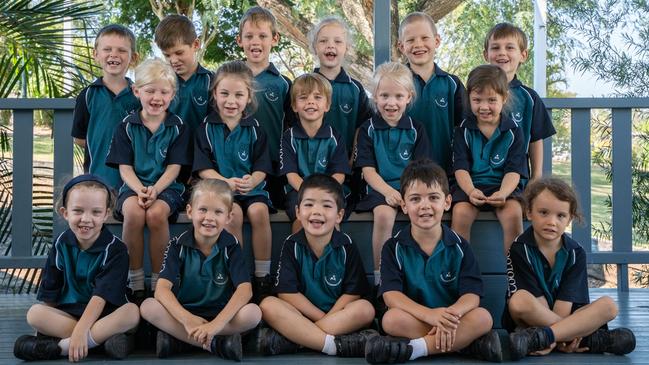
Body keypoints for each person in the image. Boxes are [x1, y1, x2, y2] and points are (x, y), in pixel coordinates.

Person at [365, 159, 502, 364]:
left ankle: (416, 349)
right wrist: (430, 315)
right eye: (415, 199)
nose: (425, 206)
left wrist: (449, 317)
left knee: (483, 317)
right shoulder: (393, 248)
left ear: (447, 202)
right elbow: (392, 296)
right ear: (403, 204)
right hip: (418, 317)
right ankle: (466, 344)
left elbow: (471, 296)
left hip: (453, 319)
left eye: (433, 197)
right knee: (391, 320)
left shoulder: (460, 246)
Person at [505, 177, 636, 360]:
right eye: (543, 212)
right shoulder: (519, 249)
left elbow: (564, 307)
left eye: (560, 216)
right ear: (529, 212)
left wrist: (552, 335)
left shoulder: (576, 253)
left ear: (570, 218)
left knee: (609, 306)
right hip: (531, 319)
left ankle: (545, 338)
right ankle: (584, 339)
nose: (552, 222)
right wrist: (569, 331)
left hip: (562, 318)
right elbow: (537, 304)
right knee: (519, 301)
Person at [13, 175, 140, 362]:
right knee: (35, 314)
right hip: (70, 315)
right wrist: (42, 330)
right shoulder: (60, 245)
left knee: (132, 313)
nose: (86, 219)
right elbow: (51, 291)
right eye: (78, 211)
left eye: (96, 212)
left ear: (106, 214)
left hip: (106, 314)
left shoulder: (116, 250)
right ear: (65, 212)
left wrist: (81, 331)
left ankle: (61, 348)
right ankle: (99, 342)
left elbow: (101, 297)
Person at [139, 179, 261, 360]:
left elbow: (245, 290)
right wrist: (187, 319)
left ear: (228, 217)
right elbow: (162, 290)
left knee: (253, 313)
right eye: (202, 209)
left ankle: (181, 341)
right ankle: (217, 344)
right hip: (187, 314)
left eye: (218, 212)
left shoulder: (231, 247)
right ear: (190, 211)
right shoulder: (177, 245)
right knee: (148, 307)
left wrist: (215, 326)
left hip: (222, 315)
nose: (209, 218)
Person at [258, 174, 377, 357]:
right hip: (302, 317)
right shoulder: (292, 245)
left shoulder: (347, 246)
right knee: (267, 306)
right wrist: (322, 319)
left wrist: (328, 317)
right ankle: (332, 345)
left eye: (327, 205)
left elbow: (352, 293)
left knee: (366, 309)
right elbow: (287, 294)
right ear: (298, 212)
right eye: (309, 204)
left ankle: (296, 341)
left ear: (339, 215)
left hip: (338, 316)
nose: (316, 211)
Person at [106, 59, 191, 300]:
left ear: (172, 94)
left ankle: (159, 281)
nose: (157, 97)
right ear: (137, 91)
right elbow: (125, 168)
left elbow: (174, 168)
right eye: (150, 90)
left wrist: (155, 190)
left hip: (167, 187)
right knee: (133, 212)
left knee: (155, 214)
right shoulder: (126, 126)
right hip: (134, 185)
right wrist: (140, 189)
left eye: (164, 92)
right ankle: (133, 282)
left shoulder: (178, 127)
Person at [193, 60, 274, 302]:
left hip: (251, 189)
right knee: (234, 215)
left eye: (238, 95)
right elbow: (203, 169)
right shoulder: (206, 128)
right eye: (224, 93)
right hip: (220, 191)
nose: (231, 101)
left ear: (248, 97)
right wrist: (224, 181)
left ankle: (262, 277)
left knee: (259, 211)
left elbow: (262, 166)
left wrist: (254, 180)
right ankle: (236, 274)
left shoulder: (255, 128)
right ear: (215, 94)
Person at [354, 62, 430, 287]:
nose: (391, 103)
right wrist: (388, 192)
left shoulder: (417, 129)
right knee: (385, 216)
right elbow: (368, 171)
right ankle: (381, 280)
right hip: (378, 189)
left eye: (398, 96)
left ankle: (420, 278)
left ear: (409, 97)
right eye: (384, 95)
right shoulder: (368, 129)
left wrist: (408, 195)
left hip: (410, 188)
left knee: (424, 213)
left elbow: (420, 171)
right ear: (375, 97)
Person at [451, 65, 526, 253]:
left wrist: (503, 193)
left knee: (514, 215)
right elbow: (461, 168)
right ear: (469, 99)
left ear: (504, 98)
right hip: (470, 187)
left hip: (503, 188)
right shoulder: (463, 130)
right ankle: (461, 275)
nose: (484, 107)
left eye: (492, 100)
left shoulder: (513, 132)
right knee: (460, 214)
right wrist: (470, 190)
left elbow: (513, 170)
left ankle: (516, 277)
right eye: (477, 100)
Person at [483, 22, 556, 184]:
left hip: (518, 181)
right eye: (495, 48)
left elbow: (535, 139)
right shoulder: (476, 94)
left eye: (510, 47)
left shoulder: (529, 98)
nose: (502, 53)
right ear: (485, 55)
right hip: (480, 179)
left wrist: (536, 177)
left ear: (523, 55)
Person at [237, 6, 294, 209]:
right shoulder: (230, 79)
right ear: (240, 40)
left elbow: (291, 128)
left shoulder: (283, 84)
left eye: (262, 35)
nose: (255, 41)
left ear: (275, 39)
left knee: (270, 212)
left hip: (273, 166)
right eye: (249, 36)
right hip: (235, 165)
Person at [71, 24, 140, 190]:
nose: (113, 54)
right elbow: (80, 139)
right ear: (96, 54)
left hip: (134, 184)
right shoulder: (88, 95)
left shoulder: (140, 95)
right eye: (107, 49)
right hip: (97, 180)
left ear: (134, 57)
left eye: (122, 50)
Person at [279, 73, 350, 232]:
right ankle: (300, 255)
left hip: (329, 191)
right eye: (303, 97)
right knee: (301, 222)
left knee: (332, 223)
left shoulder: (335, 137)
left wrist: (322, 194)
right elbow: (291, 175)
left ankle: (333, 256)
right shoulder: (288, 137)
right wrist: (310, 194)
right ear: (294, 105)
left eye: (317, 97)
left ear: (327, 105)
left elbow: (339, 174)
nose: (310, 101)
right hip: (298, 192)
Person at [398, 12, 465, 174]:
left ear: (437, 41)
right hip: (403, 171)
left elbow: (465, 128)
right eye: (411, 40)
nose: (418, 44)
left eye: (424, 38)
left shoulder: (452, 84)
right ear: (401, 47)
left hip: (445, 171)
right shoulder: (397, 83)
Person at [309, 16, 371, 154]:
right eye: (323, 41)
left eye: (338, 41)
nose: (330, 45)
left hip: (346, 166)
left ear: (347, 48)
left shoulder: (355, 89)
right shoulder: (303, 86)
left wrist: (352, 159)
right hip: (310, 166)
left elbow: (362, 128)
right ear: (315, 47)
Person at [155, 14, 212, 133]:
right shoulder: (160, 83)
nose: (173, 60)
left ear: (196, 45)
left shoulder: (212, 81)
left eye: (179, 53)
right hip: (169, 150)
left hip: (203, 150)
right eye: (167, 55)